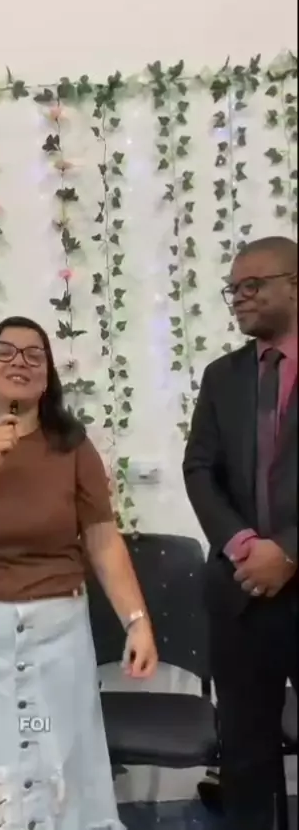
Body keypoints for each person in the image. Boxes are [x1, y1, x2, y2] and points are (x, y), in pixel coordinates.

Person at [0, 315, 158, 830]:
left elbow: (102, 538)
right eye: (5, 352)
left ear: (48, 375)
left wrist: (137, 621)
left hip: (55, 639)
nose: (19, 362)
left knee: (51, 744)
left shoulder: (72, 447)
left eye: (34, 354)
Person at [183, 237, 297, 830]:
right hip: (240, 593)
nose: (239, 298)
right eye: (233, 289)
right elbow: (199, 469)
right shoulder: (221, 376)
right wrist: (245, 547)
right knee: (246, 756)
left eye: (253, 286)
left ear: (295, 286)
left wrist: (289, 552)